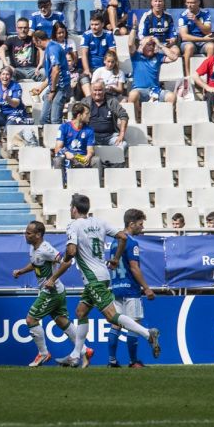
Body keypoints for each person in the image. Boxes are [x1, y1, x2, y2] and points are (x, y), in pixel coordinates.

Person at [45, 194, 161, 367]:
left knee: (112, 316)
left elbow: (71, 249)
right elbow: (122, 237)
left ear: (74, 209)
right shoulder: (100, 222)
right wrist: (115, 258)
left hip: (93, 279)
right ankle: (76, 355)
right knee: (81, 312)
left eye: (71, 207)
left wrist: (68, 255)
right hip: (103, 275)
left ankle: (147, 334)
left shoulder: (73, 225)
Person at [11, 220, 74, 367]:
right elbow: (35, 264)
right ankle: (84, 350)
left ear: (38, 235)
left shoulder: (46, 249)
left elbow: (66, 262)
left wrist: (52, 279)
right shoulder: (34, 248)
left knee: (31, 320)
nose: (25, 235)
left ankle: (43, 354)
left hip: (51, 291)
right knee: (61, 321)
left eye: (28, 233)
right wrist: (21, 271)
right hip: (55, 291)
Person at [106, 208, 155, 368]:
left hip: (117, 287)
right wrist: (146, 288)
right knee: (134, 324)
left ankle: (112, 360)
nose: (142, 227)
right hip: (130, 289)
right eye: (140, 224)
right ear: (131, 223)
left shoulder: (115, 242)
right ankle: (133, 361)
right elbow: (134, 267)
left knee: (116, 324)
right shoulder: (131, 243)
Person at [126, 32, 179, 122]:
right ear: (142, 46)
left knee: (171, 97)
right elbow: (130, 44)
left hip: (155, 90)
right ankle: (135, 122)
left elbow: (174, 57)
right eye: (148, 44)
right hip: (139, 90)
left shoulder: (158, 56)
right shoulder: (136, 56)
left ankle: (165, 122)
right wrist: (134, 29)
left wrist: (160, 45)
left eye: (153, 45)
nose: (151, 47)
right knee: (132, 94)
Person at [30, 29, 70, 125]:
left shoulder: (52, 48)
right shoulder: (49, 48)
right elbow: (51, 75)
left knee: (55, 119)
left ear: (39, 40)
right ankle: (47, 139)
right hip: (55, 86)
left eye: (35, 43)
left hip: (61, 86)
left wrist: (52, 91)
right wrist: (41, 88)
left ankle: (58, 139)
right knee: (43, 119)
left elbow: (56, 70)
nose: (35, 46)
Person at [0, 66, 30, 149]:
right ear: (0, 75)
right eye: (3, 74)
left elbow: (16, 104)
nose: (5, 77)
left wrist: (7, 99)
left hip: (17, 113)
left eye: (7, 74)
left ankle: (13, 145)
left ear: (11, 76)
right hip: (4, 114)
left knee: (8, 127)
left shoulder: (16, 86)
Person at [79, 79, 129, 148]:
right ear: (91, 90)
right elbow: (78, 117)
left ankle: (114, 159)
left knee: (123, 145)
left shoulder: (112, 101)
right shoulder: (85, 101)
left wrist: (121, 134)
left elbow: (124, 116)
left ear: (104, 90)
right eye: (95, 90)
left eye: (100, 90)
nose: (97, 93)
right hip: (91, 136)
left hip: (110, 136)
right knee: (80, 144)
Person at [54, 102, 99, 173]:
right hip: (69, 158)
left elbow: (90, 150)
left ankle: (96, 183)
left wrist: (88, 156)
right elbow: (57, 148)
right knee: (58, 160)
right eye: (87, 113)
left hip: (82, 158)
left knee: (96, 160)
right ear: (79, 115)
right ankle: (61, 183)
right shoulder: (64, 127)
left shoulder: (89, 130)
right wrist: (66, 153)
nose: (89, 116)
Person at [79, 13, 117, 97]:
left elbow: (112, 53)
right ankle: (89, 98)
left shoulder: (109, 35)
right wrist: (87, 70)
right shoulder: (86, 35)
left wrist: (108, 69)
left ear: (102, 24)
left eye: (96, 24)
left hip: (105, 68)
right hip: (91, 68)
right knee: (83, 77)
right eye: (92, 24)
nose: (93, 27)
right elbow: (84, 54)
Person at [179, 0, 214, 77]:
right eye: (188, 3)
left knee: (211, 47)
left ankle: (209, 75)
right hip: (190, 42)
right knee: (189, 47)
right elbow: (184, 37)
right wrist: (203, 39)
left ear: (198, 3)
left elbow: (207, 31)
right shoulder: (183, 16)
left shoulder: (205, 13)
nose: (189, 5)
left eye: (192, 3)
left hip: (203, 42)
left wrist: (196, 21)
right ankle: (188, 76)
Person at [0, 17, 40, 81]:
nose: (23, 30)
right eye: (20, 28)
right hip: (16, 70)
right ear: (16, 29)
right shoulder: (11, 40)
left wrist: (39, 65)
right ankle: (13, 90)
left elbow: (42, 49)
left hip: (33, 70)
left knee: (44, 73)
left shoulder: (33, 39)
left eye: (25, 28)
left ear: (29, 28)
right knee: (7, 73)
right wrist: (7, 65)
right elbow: (1, 49)